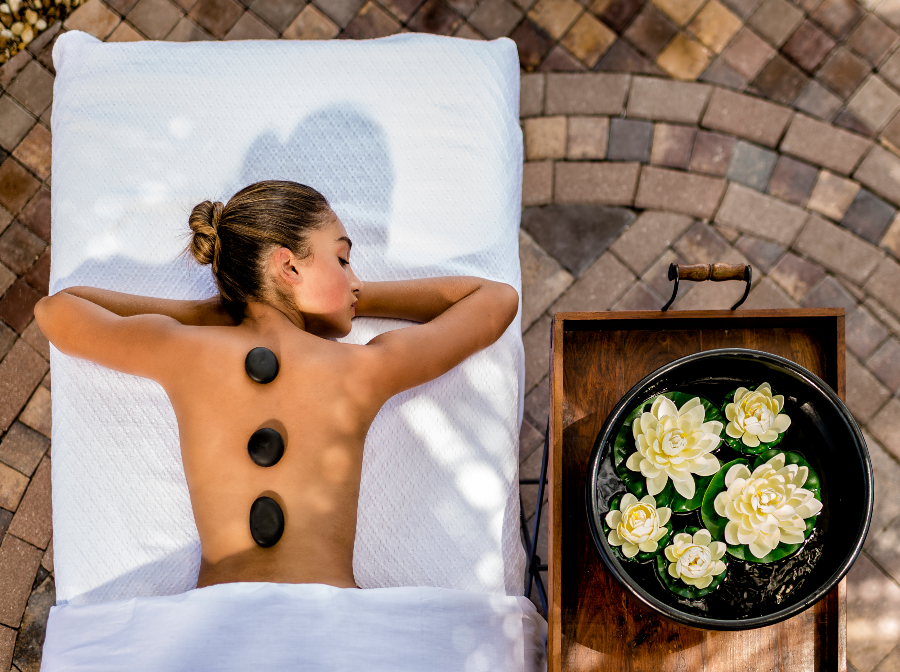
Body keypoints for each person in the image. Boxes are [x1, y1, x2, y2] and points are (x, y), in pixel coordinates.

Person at [34, 180, 519, 592]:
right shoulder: (361, 369)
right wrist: (346, 303)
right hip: (329, 622)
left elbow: (57, 310)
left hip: (218, 627)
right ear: (288, 266)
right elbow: (495, 299)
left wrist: (215, 313)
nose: (356, 281)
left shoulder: (183, 350)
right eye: (344, 259)